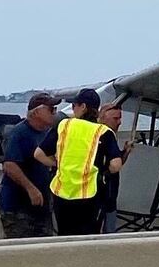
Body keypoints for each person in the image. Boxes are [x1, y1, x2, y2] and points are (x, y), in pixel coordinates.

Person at [34, 89, 123, 236]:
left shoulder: (64, 126)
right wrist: (102, 171)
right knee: (88, 236)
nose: (73, 108)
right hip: (89, 195)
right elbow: (115, 165)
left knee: (65, 235)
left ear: (84, 107)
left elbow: (38, 154)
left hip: (61, 193)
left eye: (75, 105)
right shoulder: (103, 131)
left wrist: (58, 164)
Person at [0, 92, 61, 238]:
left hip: (42, 206)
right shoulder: (19, 133)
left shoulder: (48, 133)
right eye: (51, 109)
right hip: (18, 206)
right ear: (37, 111)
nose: (55, 113)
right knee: (20, 247)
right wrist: (31, 189)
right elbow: (9, 165)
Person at [97, 103, 132, 233]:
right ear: (103, 117)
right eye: (115, 119)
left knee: (109, 228)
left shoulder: (110, 137)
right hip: (102, 195)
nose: (119, 122)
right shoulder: (104, 135)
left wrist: (125, 152)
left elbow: (116, 163)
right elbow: (115, 166)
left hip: (110, 196)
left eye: (120, 118)